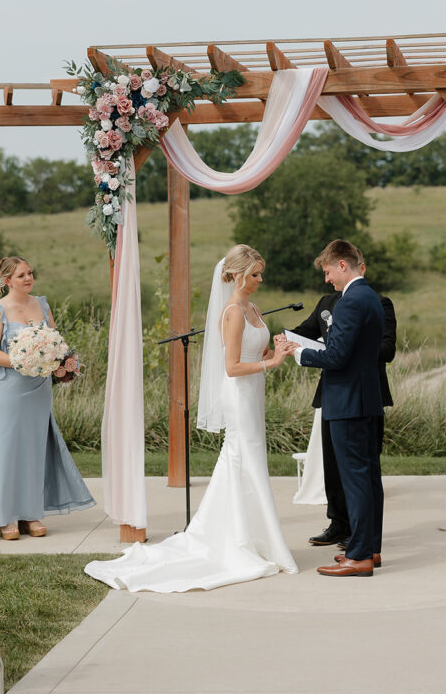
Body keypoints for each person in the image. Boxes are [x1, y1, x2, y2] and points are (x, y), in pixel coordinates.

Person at [85, 245, 297, 593]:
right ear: (236, 274)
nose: (260, 279)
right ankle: (241, 541)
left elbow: (255, 354)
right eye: (255, 274)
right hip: (239, 396)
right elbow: (231, 368)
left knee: (248, 461)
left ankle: (249, 536)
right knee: (244, 457)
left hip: (253, 393)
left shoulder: (254, 308)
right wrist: (269, 363)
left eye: (260, 273)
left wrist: (276, 351)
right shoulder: (232, 312)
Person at [277, 239, 386, 577]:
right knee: (367, 479)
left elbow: (336, 357)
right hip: (364, 400)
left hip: (348, 403)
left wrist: (297, 352)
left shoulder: (351, 301)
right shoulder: (368, 296)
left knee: (356, 481)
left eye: (327, 272)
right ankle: (369, 548)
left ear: (343, 265)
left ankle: (359, 557)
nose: (327, 280)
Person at [0, 257, 95, 539]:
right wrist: (21, 360)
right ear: (7, 282)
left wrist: (62, 362)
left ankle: (30, 513)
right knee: (6, 449)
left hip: (38, 389)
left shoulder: (41, 304)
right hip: (8, 389)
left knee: (33, 448)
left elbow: (54, 340)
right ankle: (6, 517)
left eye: (30, 273)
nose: (28, 279)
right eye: (21, 276)